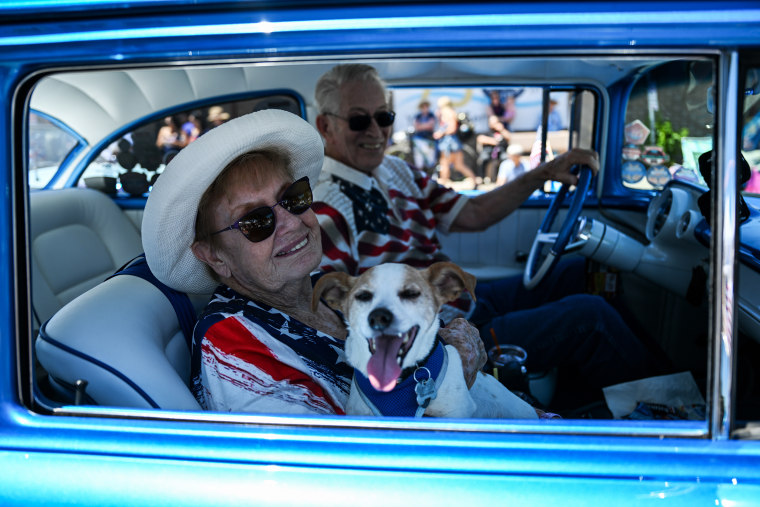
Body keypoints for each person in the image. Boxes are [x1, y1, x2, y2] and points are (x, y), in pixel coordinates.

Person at [312, 63, 665, 409]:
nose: (376, 131)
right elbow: (339, 315)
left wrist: (543, 173)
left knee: (580, 273)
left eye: (384, 117)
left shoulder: (395, 169)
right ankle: (665, 411)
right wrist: (438, 350)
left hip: (460, 304)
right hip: (442, 335)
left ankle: (634, 393)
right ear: (325, 127)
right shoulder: (326, 206)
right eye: (360, 120)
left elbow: (473, 213)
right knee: (591, 315)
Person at [141, 109, 491, 415]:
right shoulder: (233, 344)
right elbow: (343, 468)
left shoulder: (324, 288)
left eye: (294, 198)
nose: (293, 222)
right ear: (214, 255)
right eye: (256, 221)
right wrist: (455, 379)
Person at [433, 96, 479, 187]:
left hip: (449, 143)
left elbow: (452, 128)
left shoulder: (446, 112)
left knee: (445, 164)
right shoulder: (452, 111)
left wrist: (440, 133)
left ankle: (442, 185)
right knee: (458, 165)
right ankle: (474, 180)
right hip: (453, 142)